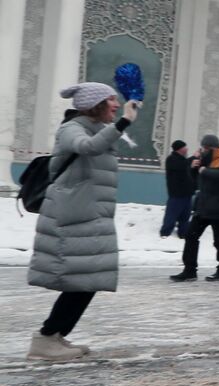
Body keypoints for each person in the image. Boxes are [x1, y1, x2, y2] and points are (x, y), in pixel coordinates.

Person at [26, 83, 140, 362]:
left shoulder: (96, 128)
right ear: (95, 104)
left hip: (88, 215)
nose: (116, 104)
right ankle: (46, 337)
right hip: (73, 216)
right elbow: (87, 148)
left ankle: (54, 336)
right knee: (82, 282)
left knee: (88, 280)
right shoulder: (72, 128)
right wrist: (124, 121)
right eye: (111, 100)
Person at [170, 134, 219, 282]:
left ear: (212, 148)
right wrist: (194, 169)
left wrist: (204, 171)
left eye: (205, 148)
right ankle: (189, 270)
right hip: (203, 207)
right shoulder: (207, 159)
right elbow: (198, 181)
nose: (203, 150)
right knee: (191, 235)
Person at [160, 140, 196, 239]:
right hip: (177, 194)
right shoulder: (171, 159)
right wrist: (193, 158)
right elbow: (181, 166)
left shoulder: (183, 160)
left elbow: (186, 169)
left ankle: (183, 233)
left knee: (185, 216)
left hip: (187, 193)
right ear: (180, 149)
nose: (187, 148)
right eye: (185, 147)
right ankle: (165, 233)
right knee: (172, 214)